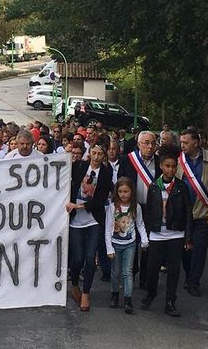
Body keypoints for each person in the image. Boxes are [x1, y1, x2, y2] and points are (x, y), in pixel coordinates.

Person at [142, 144, 193, 316]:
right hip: (157, 234)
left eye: (173, 166)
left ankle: (170, 301)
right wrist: (148, 233)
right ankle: (151, 292)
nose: (171, 170)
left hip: (175, 234)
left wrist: (187, 238)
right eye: (167, 166)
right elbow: (149, 211)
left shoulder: (181, 187)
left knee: (174, 270)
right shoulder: (154, 187)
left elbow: (188, 213)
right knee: (152, 268)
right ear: (161, 166)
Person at [177, 128, 208, 297]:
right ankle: (189, 274)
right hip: (184, 215)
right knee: (186, 250)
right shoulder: (179, 161)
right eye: (181, 142)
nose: (182, 145)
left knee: (199, 249)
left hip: (204, 214)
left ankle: (193, 282)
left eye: (186, 142)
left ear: (196, 142)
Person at [66, 138, 113, 312]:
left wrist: (80, 206)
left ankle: (86, 292)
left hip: (93, 218)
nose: (96, 157)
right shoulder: (79, 167)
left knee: (90, 256)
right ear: (89, 152)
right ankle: (76, 283)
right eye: (94, 153)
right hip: (76, 220)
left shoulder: (106, 173)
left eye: (100, 154)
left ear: (104, 155)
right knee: (77, 257)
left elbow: (100, 200)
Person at [117, 130, 161, 289]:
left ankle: (145, 278)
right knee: (131, 242)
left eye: (153, 143)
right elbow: (120, 183)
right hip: (132, 208)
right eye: (146, 143)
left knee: (148, 243)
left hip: (151, 209)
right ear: (139, 144)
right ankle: (130, 273)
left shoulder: (159, 162)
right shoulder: (128, 160)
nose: (150, 147)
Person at [105, 177, 148, 314]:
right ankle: (114, 294)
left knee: (127, 272)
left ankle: (128, 299)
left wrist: (144, 239)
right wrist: (109, 248)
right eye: (120, 191)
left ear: (132, 192)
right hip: (115, 244)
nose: (123, 194)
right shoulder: (112, 207)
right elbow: (108, 228)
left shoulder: (136, 207)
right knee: (116, 272)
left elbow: (140, 224)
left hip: (130, 244)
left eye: (126, 191)